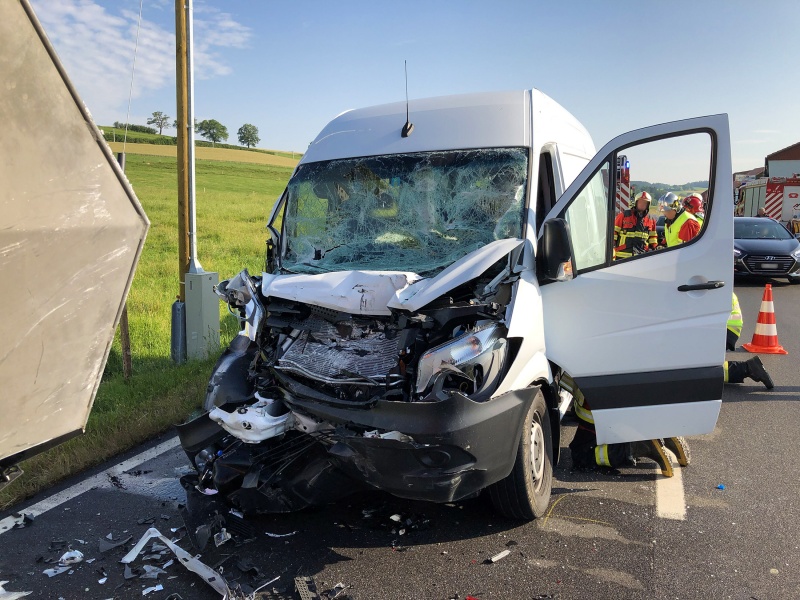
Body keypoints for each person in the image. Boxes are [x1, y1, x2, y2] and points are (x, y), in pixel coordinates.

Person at [560, 373, 685, 477]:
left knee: (582, 455)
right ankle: (662, 431)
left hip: (599, 408)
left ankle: (637, 447)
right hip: (632, 404)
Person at [725, 292, 774, 389]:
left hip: (724, 329)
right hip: (724, 328)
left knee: (696, 363)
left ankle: (748, 368)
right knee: (699, 362)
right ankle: (749, 368)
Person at [613, 191, 658, 259]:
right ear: (636, 203)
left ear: (648, 205)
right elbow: (613, 233)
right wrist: (612, 249)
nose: (642, 204)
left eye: (644, 203)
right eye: (640, 202)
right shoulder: (624, 215)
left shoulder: (651, 220)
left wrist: (655, 249)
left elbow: (653, 238)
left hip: (641, 256)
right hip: (622, 257)